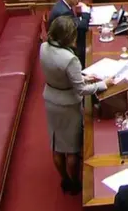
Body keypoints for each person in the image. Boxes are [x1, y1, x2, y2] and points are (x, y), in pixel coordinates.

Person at [40, 16, 115, 195]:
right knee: (72, 148)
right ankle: (75, 183)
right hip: (68, 104)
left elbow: (58, 72)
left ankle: (65, 179)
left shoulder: (43, 47)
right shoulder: (69, 58)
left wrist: (82, 76)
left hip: (51, 99)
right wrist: (104, 84)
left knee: (57, 143)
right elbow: (81, 90)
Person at [48, 0, 91, 65]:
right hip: (62, 42)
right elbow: (83, 27)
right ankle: (82, 65)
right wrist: (86, 13)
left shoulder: (62, 4)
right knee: (86, 39)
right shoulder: (64, 11)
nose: (80, 1)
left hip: (61, 35)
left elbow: (74, 20)